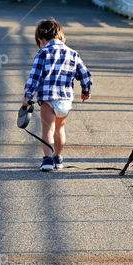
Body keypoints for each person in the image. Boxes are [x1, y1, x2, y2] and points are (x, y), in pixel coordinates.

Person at [22, 19, 92, 171]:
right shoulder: (73, 53)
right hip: (66, 99)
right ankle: (58, 158)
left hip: (48, 97)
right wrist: (86, 90)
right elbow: (85, 74)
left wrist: (28, 96)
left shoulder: (43, 53)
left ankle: (48, 160)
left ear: (41, 39)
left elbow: (35, 77)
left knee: (48, 129)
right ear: (62, 37)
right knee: (60, 129)